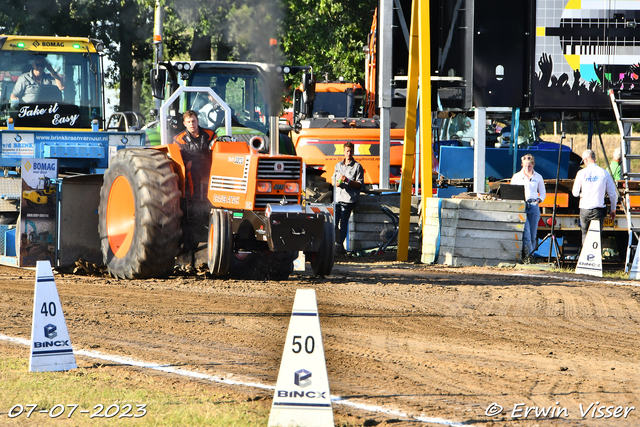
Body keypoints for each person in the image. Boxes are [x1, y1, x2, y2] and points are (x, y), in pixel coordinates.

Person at [572, 149, 618, 244]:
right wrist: (613, 210)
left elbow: (575, 193)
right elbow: (613, 194)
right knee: (596, 236)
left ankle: (585, 257)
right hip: (598, 210)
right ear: (594, 158)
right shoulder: (604, 173)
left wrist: (582, 193)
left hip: (584, 209)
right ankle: (594, 256)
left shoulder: (581, 173)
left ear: (586, 160)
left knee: (585, 233)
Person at [510, 154, 546, 260]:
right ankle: (528, 256)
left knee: (533, 232)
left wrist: (539, 200)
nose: (527, 168)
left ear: (533, 165)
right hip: (522, 205)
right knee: (526, 233)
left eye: (529, 166)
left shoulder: (538, 177)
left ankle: (531, 255)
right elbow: (511, 191)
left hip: (533, 204)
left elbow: (543, 193)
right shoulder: (517, 176)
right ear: (522, 165)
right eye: (525, 166)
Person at [333, 141, 364, 254]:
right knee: (334, 222)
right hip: (337, 198)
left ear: (353, 152)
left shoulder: (357, 167)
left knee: (343, 221)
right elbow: (334, 182)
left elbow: (360, 185)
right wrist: (338, 182)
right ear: (344, 152)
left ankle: (340, 244)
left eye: (350, 151)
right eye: (347, 151)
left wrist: (348, 181)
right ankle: (334, 244)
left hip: (348, 199)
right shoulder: (338, 165)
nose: (349, 153)